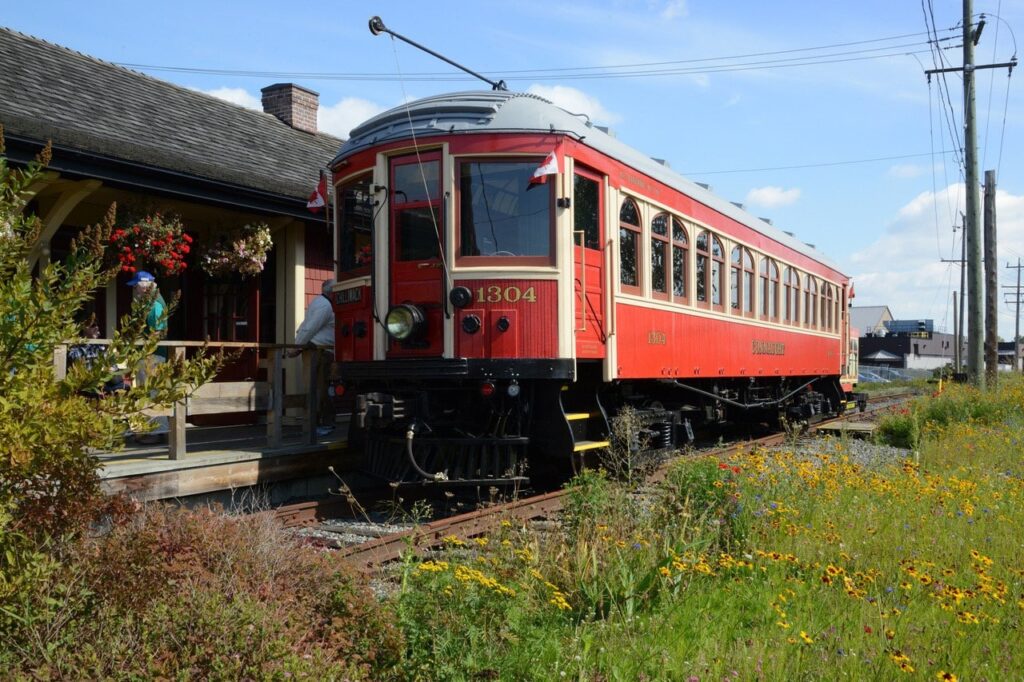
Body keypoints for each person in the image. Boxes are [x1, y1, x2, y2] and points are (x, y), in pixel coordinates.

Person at [289, 279, 336, 436]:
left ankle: (314, 424)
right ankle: (323, 424)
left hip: (315, 351)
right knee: (321, 390)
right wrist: (297, 347)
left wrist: (297, 345)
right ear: (332, 292)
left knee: (316, 389)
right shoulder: (325, 306)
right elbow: (310, 327)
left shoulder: (318, 302)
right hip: (319, 352)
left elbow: (305, 326)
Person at [127, 270, 169, 443]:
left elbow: (158, 332)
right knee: (148, 392)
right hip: (149, 355)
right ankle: (149, 432)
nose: (134, 290)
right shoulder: (149, 303)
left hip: (152, 355)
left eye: (136, 286)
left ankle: (155, 434)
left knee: (152, 393)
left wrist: (144, 349)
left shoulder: (154, 305)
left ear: (143, 287)